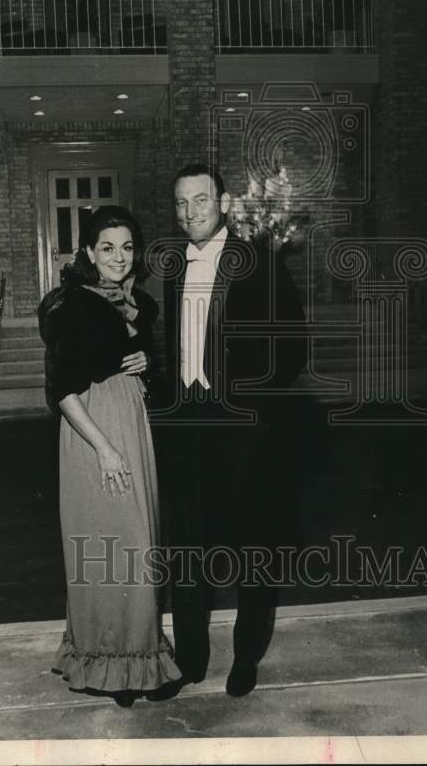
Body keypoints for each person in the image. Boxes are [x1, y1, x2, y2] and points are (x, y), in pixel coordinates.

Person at [153, 163, 307, 700]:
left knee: (252, 548)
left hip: (243, 434)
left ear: (221, 203)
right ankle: (191, 662)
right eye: (180, 203)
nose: (189, 212)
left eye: (199, 200)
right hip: (188, 430)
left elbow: (292, 346)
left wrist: (252, 405)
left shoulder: (258, 262)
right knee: (188, 550)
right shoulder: (172, 267)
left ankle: (246, 658)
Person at [37, 205, 181, 708]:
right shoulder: (68, 305)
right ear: (87, 253)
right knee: (111, 541)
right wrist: (104, 448)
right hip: (94, 431)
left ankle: (132, 661)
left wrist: (147, 364)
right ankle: (111, 663)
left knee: (138, 542)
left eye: (126, 247)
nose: (119, 258)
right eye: (107, 247)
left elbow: (145, 370)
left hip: (131, 420)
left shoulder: (138, 302)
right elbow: (62, 389)